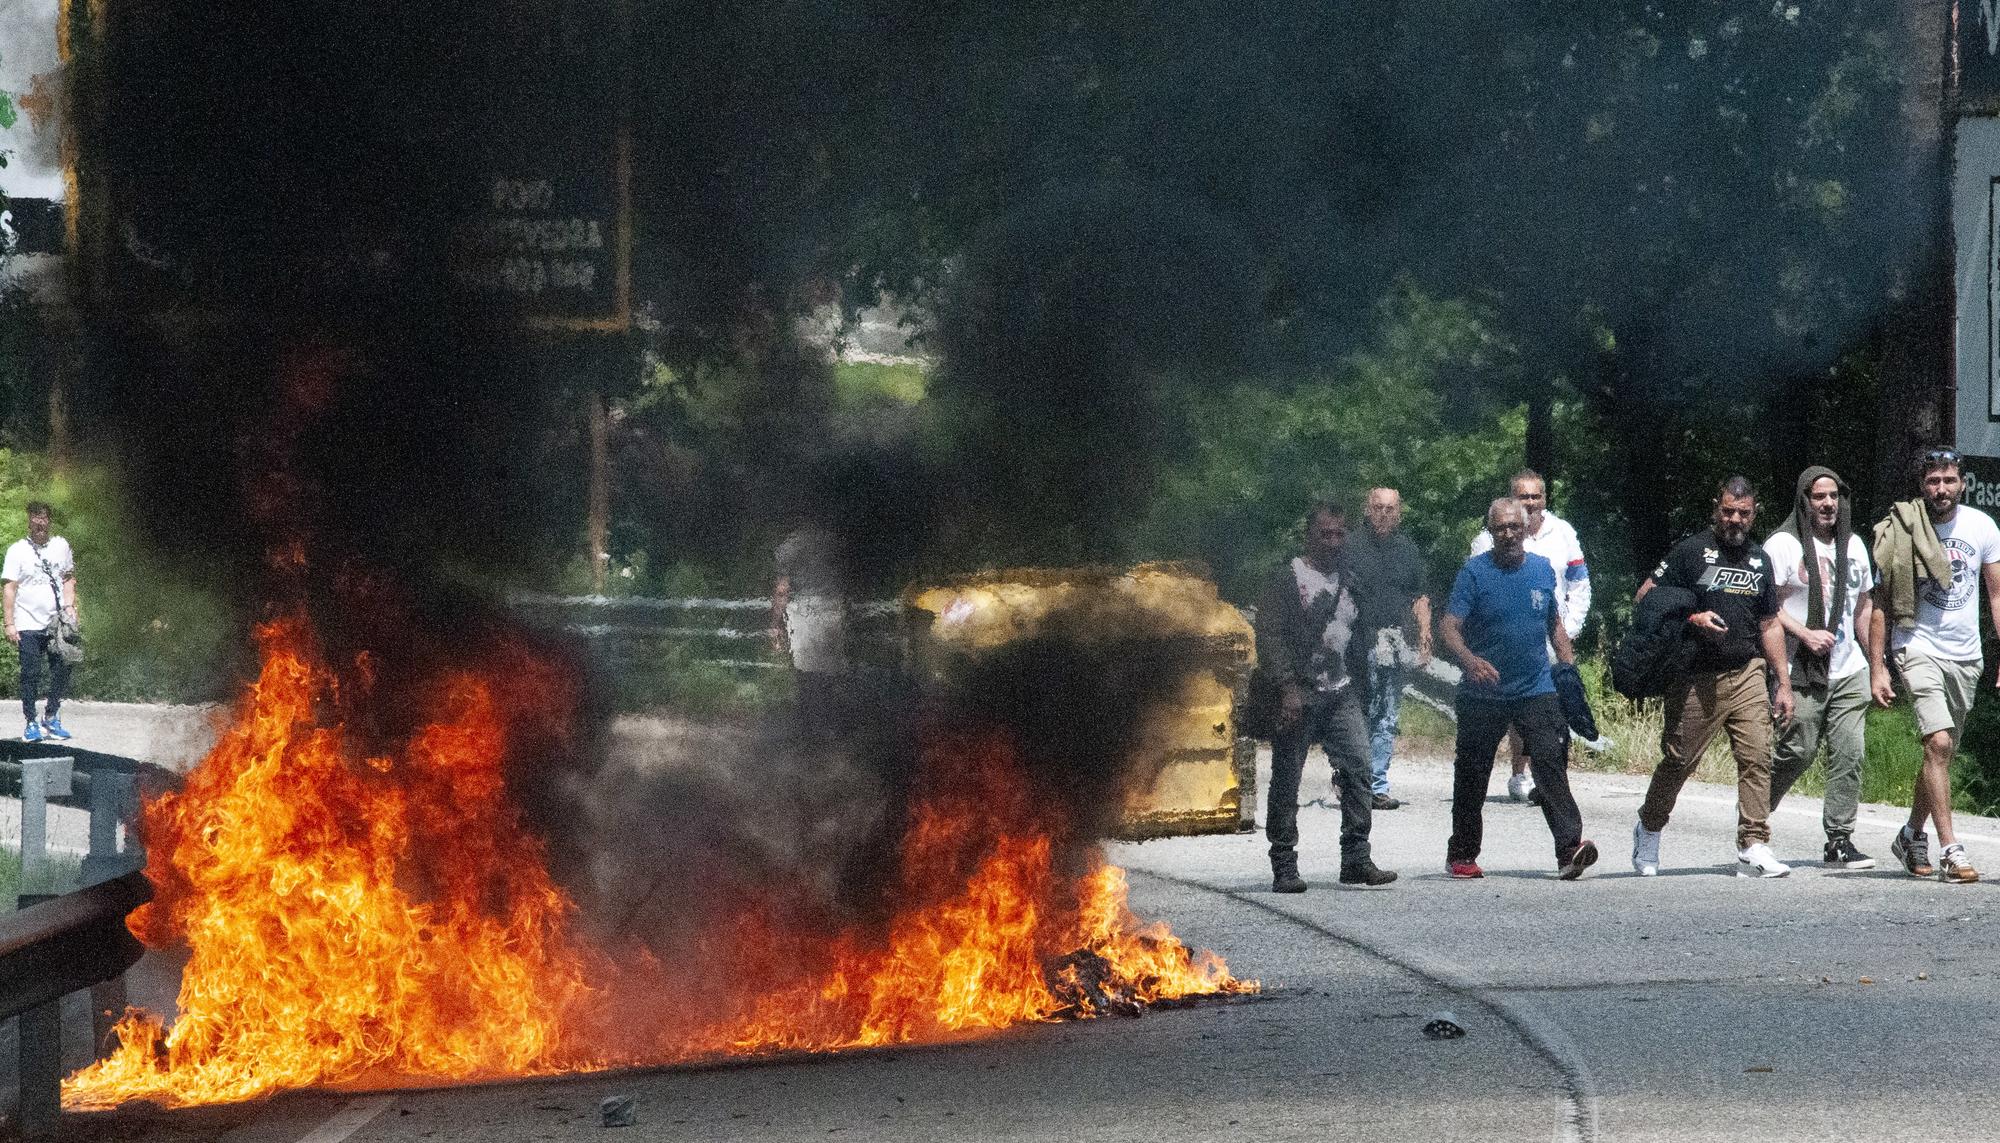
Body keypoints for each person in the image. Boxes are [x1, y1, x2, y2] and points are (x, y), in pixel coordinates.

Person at [1630, 476, 1795, 878]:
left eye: (1743, 513)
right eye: (1727, 511)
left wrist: (1783, 682)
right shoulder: (1691, 551)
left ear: (1754, 514)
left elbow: (1770, 622)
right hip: (1695, 676)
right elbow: (1645, 596)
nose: (1734, 519)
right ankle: (1649, 827)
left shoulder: (1760, 559)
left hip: (1747, 672)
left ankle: (1753, 844)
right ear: (1716, 509)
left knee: (1756, 758)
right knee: (1679, 760)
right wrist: (1691, 617)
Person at [1438, 497, 1597, 879]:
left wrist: (1568, 669)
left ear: (1525, 530)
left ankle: (1568, 850)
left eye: (1514, 527)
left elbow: (1554, 624)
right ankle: (1462, 854)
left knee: (1550, 762)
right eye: (1500, 529)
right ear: (1490, 532)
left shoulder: (1542, 570)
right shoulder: (1474, 574)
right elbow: (1448, 627)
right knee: (1473, 773)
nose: (1508, 534)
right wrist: (1469, 661)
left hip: (1535, 687)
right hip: (1483, 693)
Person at [1867, 447, 2000, 884]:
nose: (1941, 489)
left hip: (1967, 656)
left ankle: (1910, 834)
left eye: (1948, 480)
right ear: (1921, 485)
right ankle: (1951, 850)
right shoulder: (1903, 529)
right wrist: (1878, 666)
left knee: (1939, 753)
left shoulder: (1982, 527)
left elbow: (1997, 596)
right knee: (1938, 743)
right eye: (1932, 482)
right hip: (1917, 645)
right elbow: (1881, 603)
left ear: (1961, 482)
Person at [1253, 503, 1396, 892]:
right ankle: (1284, 864)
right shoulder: (1286, 579)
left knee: (1360, 768)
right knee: (1287, 779)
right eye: (1325, 534)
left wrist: (1366, 688)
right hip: (1297, 692)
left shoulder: (1352, 581)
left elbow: (1360, 637)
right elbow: (1269, 636)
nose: (1333, 541)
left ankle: (1356, 858)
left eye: (1339, 534)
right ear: (1308, 535)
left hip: (1340, 691)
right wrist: (1285, 688)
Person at [1764, 467, 1876, 869]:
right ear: (1804, 501)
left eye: (1834, 496)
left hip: (1848, 668)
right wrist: (1805, 633)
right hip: (1800, 667)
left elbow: (1864, 609)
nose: (1828, 503)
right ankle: (1754, 823)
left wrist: (1877, 665)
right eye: (1819, 497)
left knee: (1850, 753)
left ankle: (1839, 840)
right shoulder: (1783, 545)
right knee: (1798, 749)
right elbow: (1766, 607)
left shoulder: (1855, 546)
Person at [1470, 470, 1591, 802]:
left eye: (1536, 496)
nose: (1531, 503)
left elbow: (1580, 583)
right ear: (1512, 499)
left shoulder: (1563, 533)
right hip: (1511, 644)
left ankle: (1550, 779)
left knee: (1556, 708)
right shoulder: (1486, 539)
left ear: (1544, 499)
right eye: (1523, 497)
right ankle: (1519, 774)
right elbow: (1475, 592)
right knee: (1519, 709)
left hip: (1553, 637)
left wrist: (1571, 627)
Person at [1345, 487, 1432, 810]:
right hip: (1354, 643)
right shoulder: (1349, 547)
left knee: (1387, 713)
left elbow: (1419, 596)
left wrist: (1425, 635)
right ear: (1367, 510)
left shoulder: (1407, 551)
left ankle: (1377, 785)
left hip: (1393, 642)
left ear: (1399, 513)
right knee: (1358, 713)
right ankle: (1350, 778)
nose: (1384, 514)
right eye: (1378, 508)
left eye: (1391, 509)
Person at [2, 501, 77, 742]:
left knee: (62, 668)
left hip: (56, 623)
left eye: (43, 517)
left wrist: (69, 607)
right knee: (30, 674)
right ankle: (31, 721)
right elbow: (10, 588)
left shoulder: (61, 546)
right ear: (29, 521)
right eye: (35, 518)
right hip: (27, 623)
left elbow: (68, 578)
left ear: (49, 521)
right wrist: (9, 623)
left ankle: (52, 716)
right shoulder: (17, 551)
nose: (39, 522)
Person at [771, 522, 849, 736]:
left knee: (805, 673)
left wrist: (776, 623)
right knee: (830, 671)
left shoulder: (789, 548)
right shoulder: (832, 542)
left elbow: (782, 590)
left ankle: (809, 728)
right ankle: (830, 725)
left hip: (804, 610)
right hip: (833, 607)